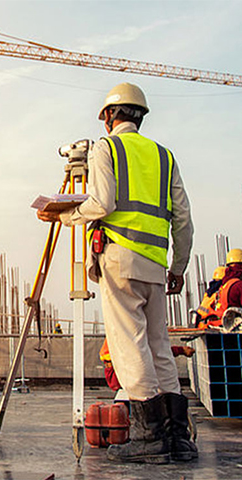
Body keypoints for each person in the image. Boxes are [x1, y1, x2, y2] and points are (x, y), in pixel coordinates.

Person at [37, 83, 195, 464]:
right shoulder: (164, 156)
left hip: (119, 259)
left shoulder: (107, 147)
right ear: (140, 116)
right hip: (156, 265)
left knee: (129, 346)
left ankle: (148, 438)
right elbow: (184, 220)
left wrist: (63, 214)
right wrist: (178, 267)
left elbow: (102, 203)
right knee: (159, 346)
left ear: (110, 116)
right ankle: (178, 439)